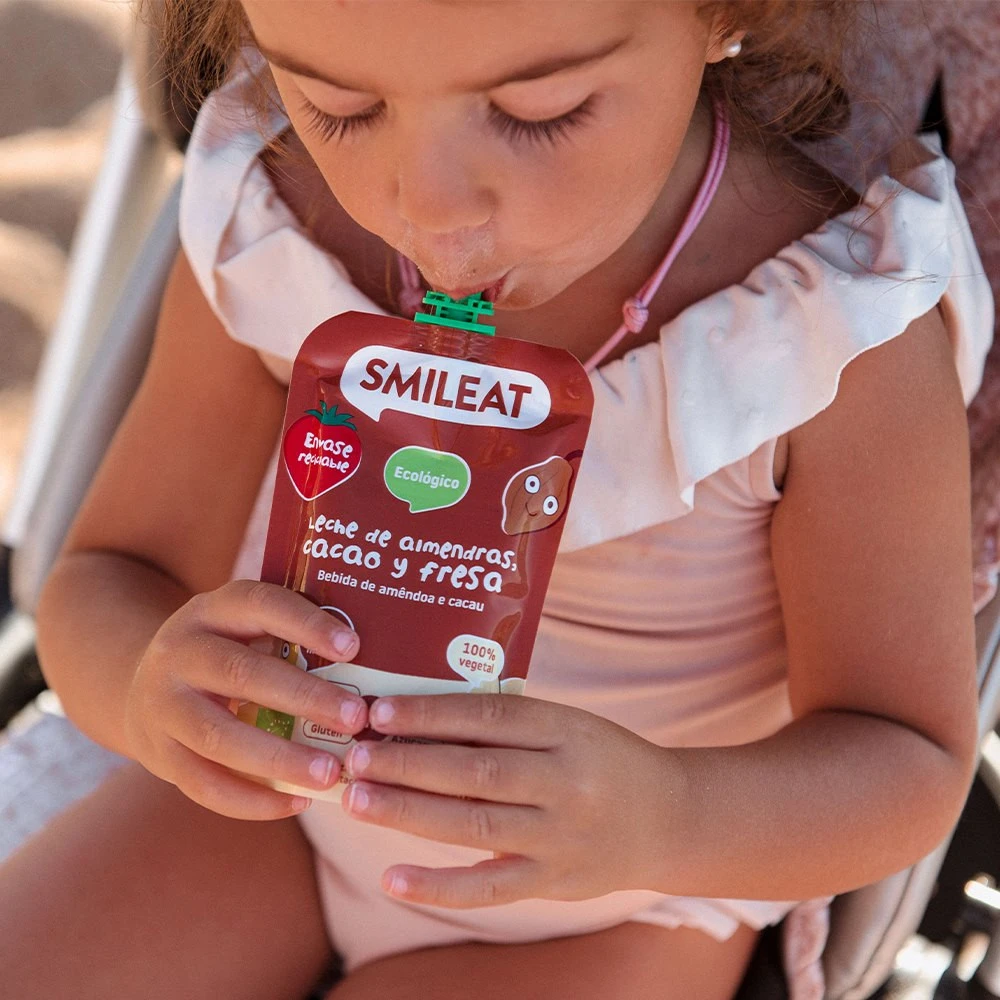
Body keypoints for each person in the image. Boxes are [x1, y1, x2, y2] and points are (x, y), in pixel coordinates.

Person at [0, 2, 992, 998]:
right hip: (274, 818)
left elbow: (904, 762)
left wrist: (668, 814)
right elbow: (109, 578)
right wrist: (147, 689)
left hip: (615, 910)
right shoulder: (284, 227)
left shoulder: (826, 342)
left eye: (539, 111)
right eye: (340, 105)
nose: (429, 206)